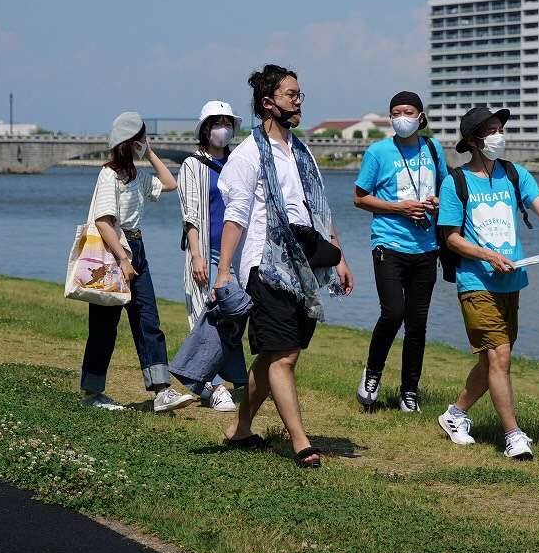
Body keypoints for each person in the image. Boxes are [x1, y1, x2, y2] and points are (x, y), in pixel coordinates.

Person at [214, 64, 355, 468]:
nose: (298, 102)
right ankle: (300, 441)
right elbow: (236, 216)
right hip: (266, 265)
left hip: (304, 266)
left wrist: (339, 256)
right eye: (291, 95)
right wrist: (224, 271)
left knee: (274, 354)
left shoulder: (302, 151)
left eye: (299, 95)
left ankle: (239, 429)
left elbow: (319, 210)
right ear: (267, 103)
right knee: (286, 355)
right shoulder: (247, 154)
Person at [435, 106, 539, 460]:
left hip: (512, 278)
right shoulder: (456, 181)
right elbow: (451, 239)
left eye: (499, 127)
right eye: (490, 130)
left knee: (493, 361)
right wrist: (489, 256)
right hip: (476, 280)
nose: (498, 135)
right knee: (499, 356)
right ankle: (513, 436)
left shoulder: (515, 174)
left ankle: (455, 415)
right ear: (472, 141)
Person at [81, 111, 196, 413]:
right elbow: (104, 221)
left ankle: (162, 390)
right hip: (115, 251)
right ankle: (93, 393)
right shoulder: (108, 175)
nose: (144, 143)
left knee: (147, 319)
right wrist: (122, 259)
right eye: (141, 138)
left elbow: (171, 184)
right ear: (128, 142)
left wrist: (152, 153)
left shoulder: (136, 176)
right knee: (105, 325)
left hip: (137, 248)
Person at [352, 91, 448, 413]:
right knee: (393, 313)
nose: (401, 117)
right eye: (396, 112)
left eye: (408, 111)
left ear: (421, 117)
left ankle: (409, 391)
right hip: (388, 244)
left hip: (426, 247)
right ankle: (372, 373)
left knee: (417, 323)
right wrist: (398, 208)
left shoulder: (434, 150)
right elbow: (360, 198)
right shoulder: (378, 151)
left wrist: (437, 202)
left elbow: (446, 192)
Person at [176, 99, 242, 412]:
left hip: (238, 252)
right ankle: (213, 386)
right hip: (207, 251)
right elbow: (190, 213)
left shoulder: (238, 162)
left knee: (235, 315)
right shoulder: (192, 165)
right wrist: (197, 256)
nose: (223, 128)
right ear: (204, 129)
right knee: (208, 316)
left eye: (227, 122)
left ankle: (229, 378)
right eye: (217, 122)